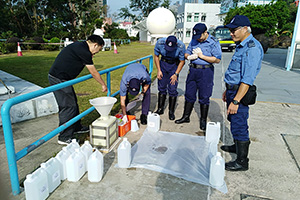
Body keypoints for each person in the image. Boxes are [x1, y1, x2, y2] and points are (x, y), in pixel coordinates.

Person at [221, 15, 263, 171]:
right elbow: (236, 72)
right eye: (230, 30)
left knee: (239, 124)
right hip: (233, 90)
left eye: (234, 30)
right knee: (234, 120)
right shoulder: (242, 45)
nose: (231, 34)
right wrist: (228, 91)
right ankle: (236, 146)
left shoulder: (251, 48)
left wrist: (236, 100)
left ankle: (241, 161)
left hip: (241, 92)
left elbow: (247, 79)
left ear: (245, 29)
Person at [49, 35, 107, 145]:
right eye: (97, 50)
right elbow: (94, 72)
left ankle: (76, 127)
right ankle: (64, 136)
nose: (95, 53)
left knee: (73, 103)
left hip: (64, 78)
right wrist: (103, 85)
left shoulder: (81, 46)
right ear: (95, 45)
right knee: (68, 106)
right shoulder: (84, 51)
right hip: (58, 79)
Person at [175, 23, 222, 132]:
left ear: (205, 33)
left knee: (204, 96)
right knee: (189, 94)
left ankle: (203, 120)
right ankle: (186, 117)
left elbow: (217, 59)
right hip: (193, 70)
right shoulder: (194, 39)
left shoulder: (213, 42)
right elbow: (186, 53)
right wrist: (189, 57)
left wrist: (202, 56)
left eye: (200, 37)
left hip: (206, 71)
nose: (198, 39)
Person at [154, 35, 186, 120]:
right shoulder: (160, 43)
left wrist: (176, 74)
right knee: (162, 87)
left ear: (176, 44)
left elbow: (182, 61)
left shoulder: (181, 46)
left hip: (174, 66)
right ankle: (160, 109)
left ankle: (171, 111)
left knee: (172, 88)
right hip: (163, 64)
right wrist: (159, 70)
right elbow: (156, 56)